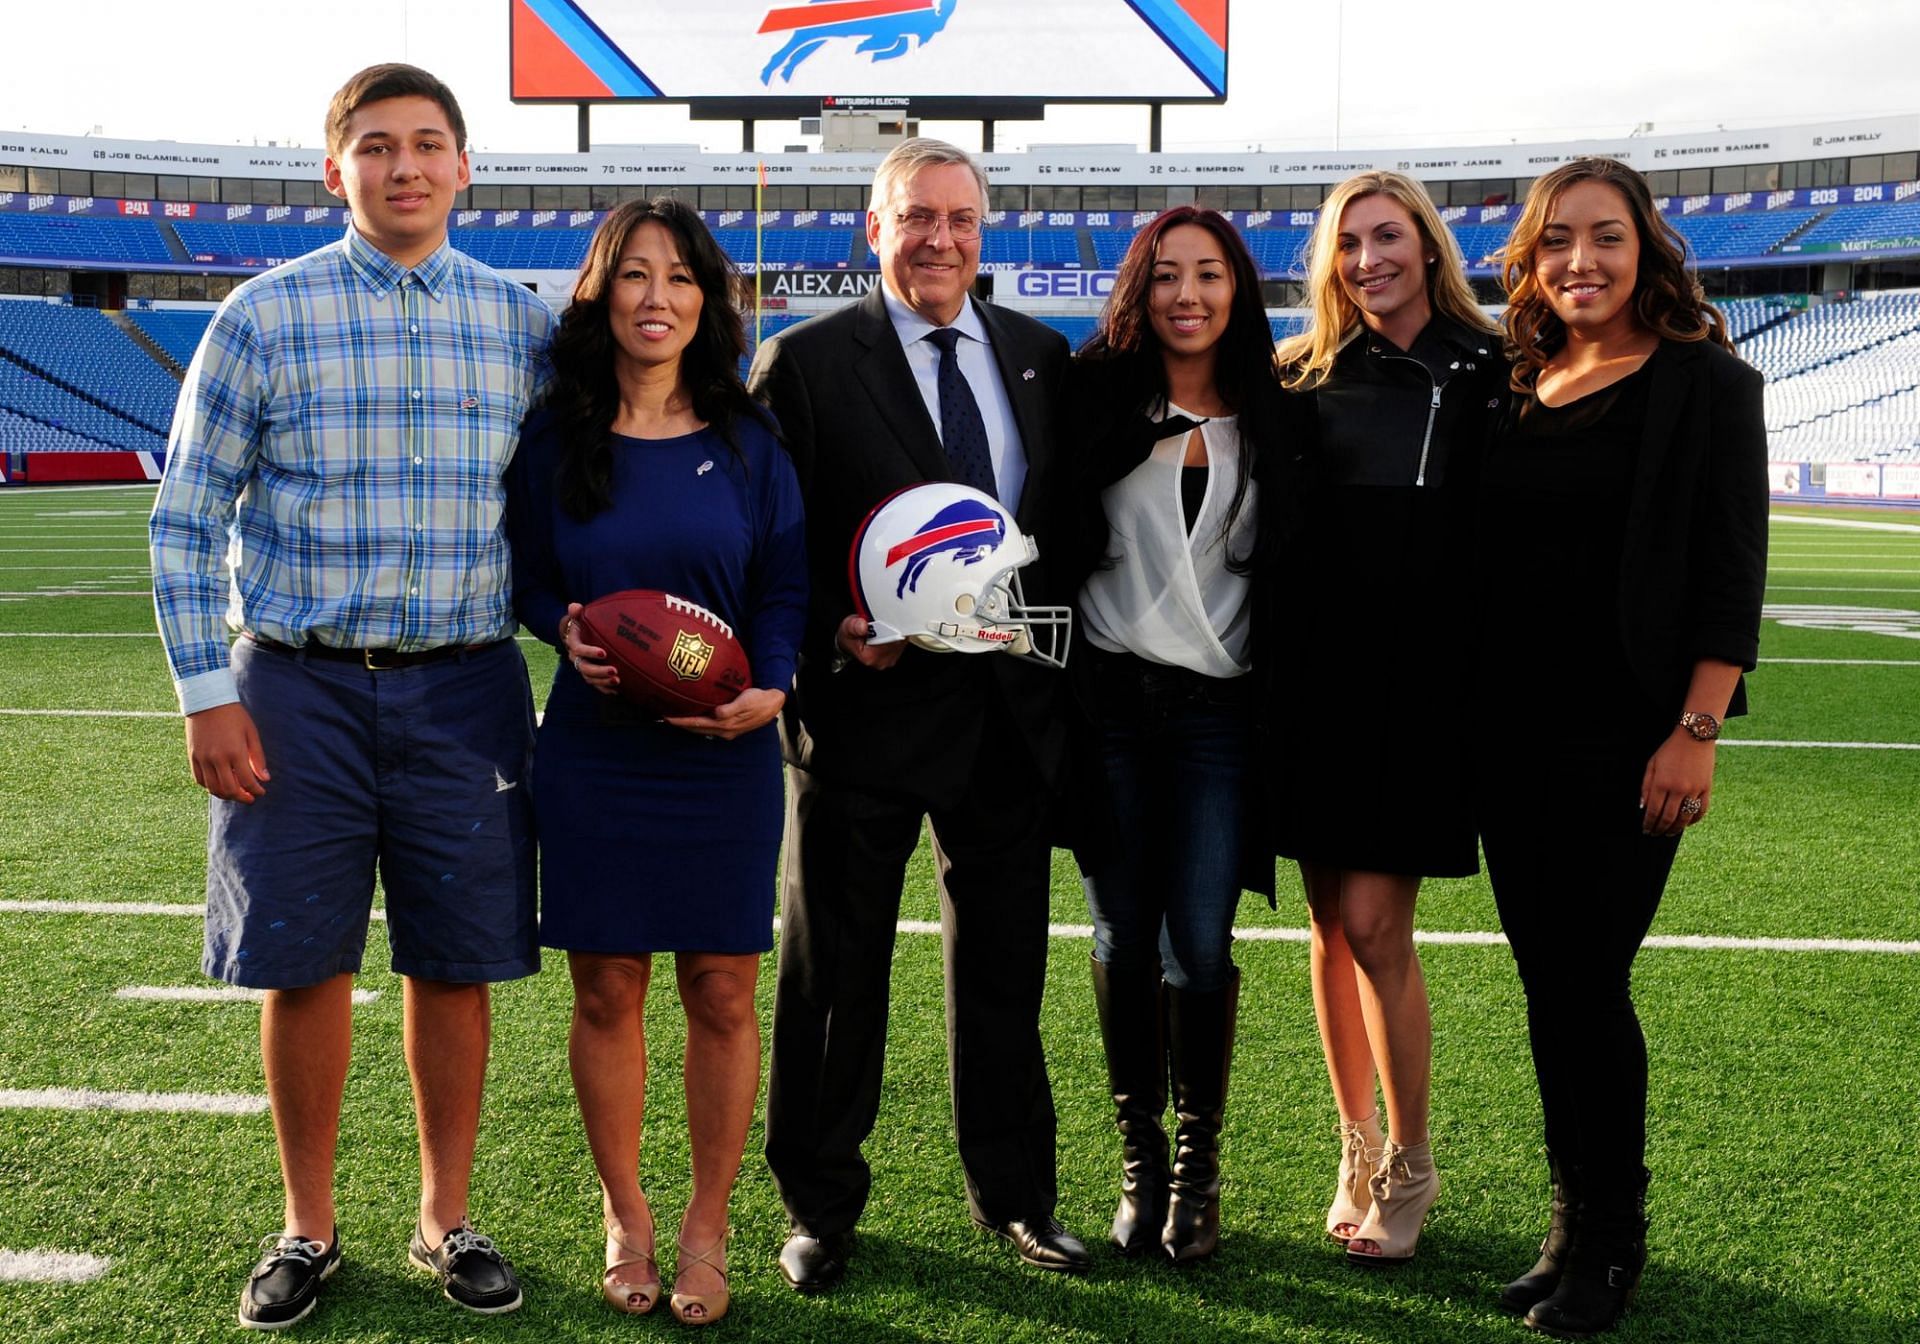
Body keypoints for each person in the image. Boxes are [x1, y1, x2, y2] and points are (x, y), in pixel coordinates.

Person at [147, 64, 554, 1330]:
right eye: (376, 147)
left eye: (430, 144)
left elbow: (569, 507)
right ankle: (308, 1226)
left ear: (467, 166)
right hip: (296, 684)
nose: (407, 167)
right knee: (302, 961)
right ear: (337, 172)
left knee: (457, 961)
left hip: (468, 683)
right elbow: (183, 520)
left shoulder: (522, 325)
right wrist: (206, 693)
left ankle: (445, 1216)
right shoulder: (263, 316)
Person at [747, 137, 1088, 1288]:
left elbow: (1066, 537)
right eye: (917, 218)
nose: (940, 239)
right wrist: (821, 641)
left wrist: (1052, 667)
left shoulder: (1041, 357)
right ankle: (819, 1203)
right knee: (833, 973)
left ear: (982, 231)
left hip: (1005, 718)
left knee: (1005, 971)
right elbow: (765, 542)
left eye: (960, 218)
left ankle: (1018, 1197)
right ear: (873, 225)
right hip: (863, 715)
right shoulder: (803, 361)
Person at [1479, 157, 1766, 1337]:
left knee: (1591, 985)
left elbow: (1730, 568)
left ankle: (1613, 1241)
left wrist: (1694, 730)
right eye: (1556, 243)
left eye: (1603, 238)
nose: (1579, 263)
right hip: (1508, 735)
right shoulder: (1517, 377)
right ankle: (1568, 1225)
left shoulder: (1707, 382)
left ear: (1646, 246)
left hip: (1630, 738)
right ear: (1531, 261)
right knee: (1552, 989)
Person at [506, 197, 805, 1327]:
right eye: (634, 275)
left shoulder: (749, 441)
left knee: (724, 989)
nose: (657, 297)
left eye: (681, 277)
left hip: (722, 752)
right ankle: (626, 1214)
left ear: (708, 300)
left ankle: (708, 1223)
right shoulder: (556, 436)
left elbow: (784, 583)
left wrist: (767, 684)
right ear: (601, 293)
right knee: (607, 987)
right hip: (595, 750)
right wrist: (559, 626)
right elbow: (529, 572)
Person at [1062, 206, 1305, 1263]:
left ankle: (1199, 1169)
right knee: (1122, 931)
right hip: (1111, 704)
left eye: (1209, 274)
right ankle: (1140, 1162)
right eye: (1166, 275)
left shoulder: (1280, 411)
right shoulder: (1094, 397)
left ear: (1238, 289)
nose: (1188, 294)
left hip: (1221, 716)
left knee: (1199, 940)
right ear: (1140, 289)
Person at [1270, 170, 1505, 1265]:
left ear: (1427, 245)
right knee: (1324, 929)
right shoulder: (1303, 368)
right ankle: (1355, 1147)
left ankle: (1412, 1159)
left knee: (1374, 927)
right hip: (1314, 678)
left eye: (1387, 238)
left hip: (1421, 684)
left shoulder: (1494, 365)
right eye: (1348, 244)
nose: (1368, 260)